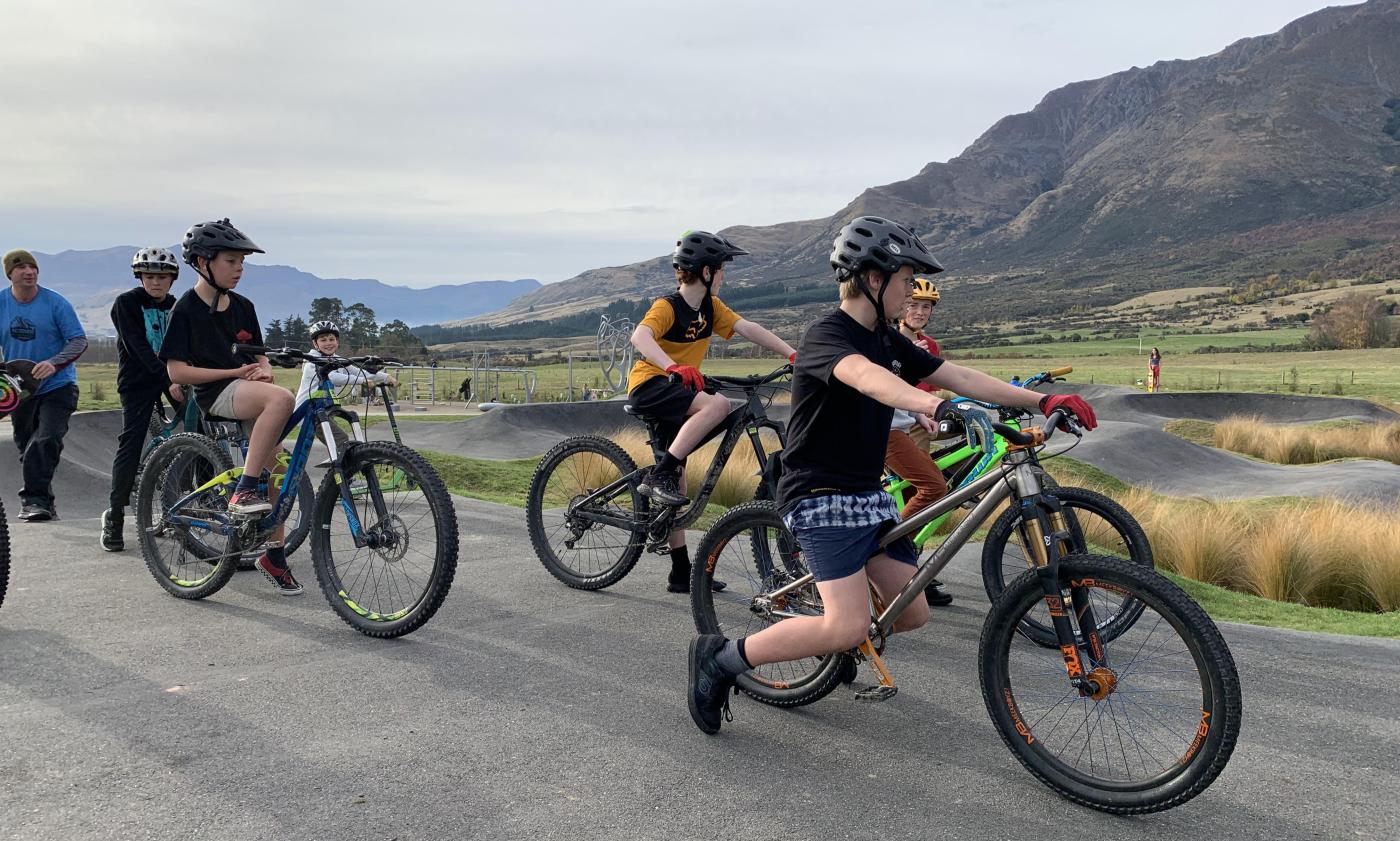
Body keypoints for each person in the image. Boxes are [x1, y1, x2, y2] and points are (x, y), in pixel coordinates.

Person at [686, 216, 1098, 734]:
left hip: (866, 494)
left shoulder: (885, 336)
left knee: (911, 613)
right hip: (818, 494)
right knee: (847, 624)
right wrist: (933, 405)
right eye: (905, 280)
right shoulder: (826, 336)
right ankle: (720, 659)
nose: (911, 293)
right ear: (872, 279)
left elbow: (957, 374)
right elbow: (867, 378)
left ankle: (836, 630)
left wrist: (1042, 399)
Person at [627, 230, 796, 593]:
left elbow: (747, 328)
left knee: (681, 482)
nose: (724, 276)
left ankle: (679, 573)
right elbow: (640, 338)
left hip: (679, 388)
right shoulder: (668, 306)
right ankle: (661, 473)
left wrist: (791, 354)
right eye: (721, 270)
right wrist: (672, 366)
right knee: (718, 405)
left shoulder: (711, 308)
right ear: (705, 271)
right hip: (652, 384)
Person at [159, 219, 301, 595]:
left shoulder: (243, 306)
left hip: (247, 389)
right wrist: (235, 371)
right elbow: (177, 370)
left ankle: (274, 556)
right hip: (214, 394)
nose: (239, 268)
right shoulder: (185, 309)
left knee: (280, 471)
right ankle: (244, 487)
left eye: (242, 262)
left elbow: (260, 356)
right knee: (284, 399)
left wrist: (263, 371)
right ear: (203, 262)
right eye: (231, 260)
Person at [101, 247, 185, 550]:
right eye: (149, 276)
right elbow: (137, 346)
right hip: (137, 381)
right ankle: (115, 517)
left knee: (199, 426)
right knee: (132, 441)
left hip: (173, 377)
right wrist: (168, 379)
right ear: (140, 277)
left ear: (172, 279)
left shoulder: (177, 306)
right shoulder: (126, 303)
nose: (155, 282)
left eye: (162, 277)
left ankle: (195, 499)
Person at [1, 249, 87, 521]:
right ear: (10, 274)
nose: (29, 271)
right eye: (21, 267)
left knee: (46, 438)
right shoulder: (2, 303)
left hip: (58, 386)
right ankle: (44, 503)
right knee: (27, 445)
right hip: (19, 388)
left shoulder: (55, 303)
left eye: (32, 267)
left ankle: (33, 501)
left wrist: (53, 363)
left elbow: (78, 341)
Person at [884, 279, 952, 606]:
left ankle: (910, 569)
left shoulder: (930, 345)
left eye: (926, 307)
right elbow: (884, 384)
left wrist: (923, 413)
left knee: (917, 494)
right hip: (892, 425)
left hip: (914, 420)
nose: (920, 312)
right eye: (914, 305)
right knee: (928, 489)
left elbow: (927, 389)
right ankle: (896, 558)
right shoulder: (889, 339)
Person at [295, 320, 397, 461]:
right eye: (323, 340)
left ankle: (339, 472)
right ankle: (342, 476)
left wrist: (386, 377)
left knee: (339, 442)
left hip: (323, 410)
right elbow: (331, 377)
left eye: (332, 339)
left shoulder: (337, 359)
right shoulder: (311, 361)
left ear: (337, 341)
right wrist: (362, 382)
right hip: (308, 412)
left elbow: (359, 372)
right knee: (341, 440)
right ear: (315, 343)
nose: (328, 343)